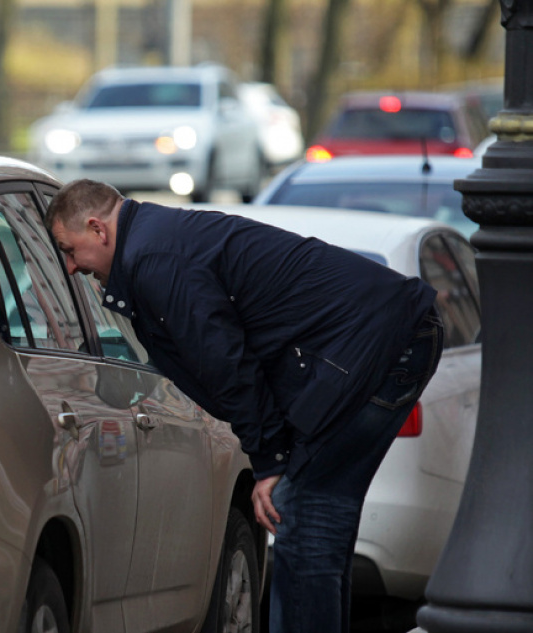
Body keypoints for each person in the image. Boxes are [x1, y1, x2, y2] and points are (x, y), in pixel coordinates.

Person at [45, 179, 443, 633]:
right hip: (387, 338)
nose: (73, 267)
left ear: (97, 228)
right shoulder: (157, 240)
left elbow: (225, 362)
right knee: (318, 525)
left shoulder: (155, 258)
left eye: (69, 250)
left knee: (301, 519)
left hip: (377, 346)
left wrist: (270, 458)